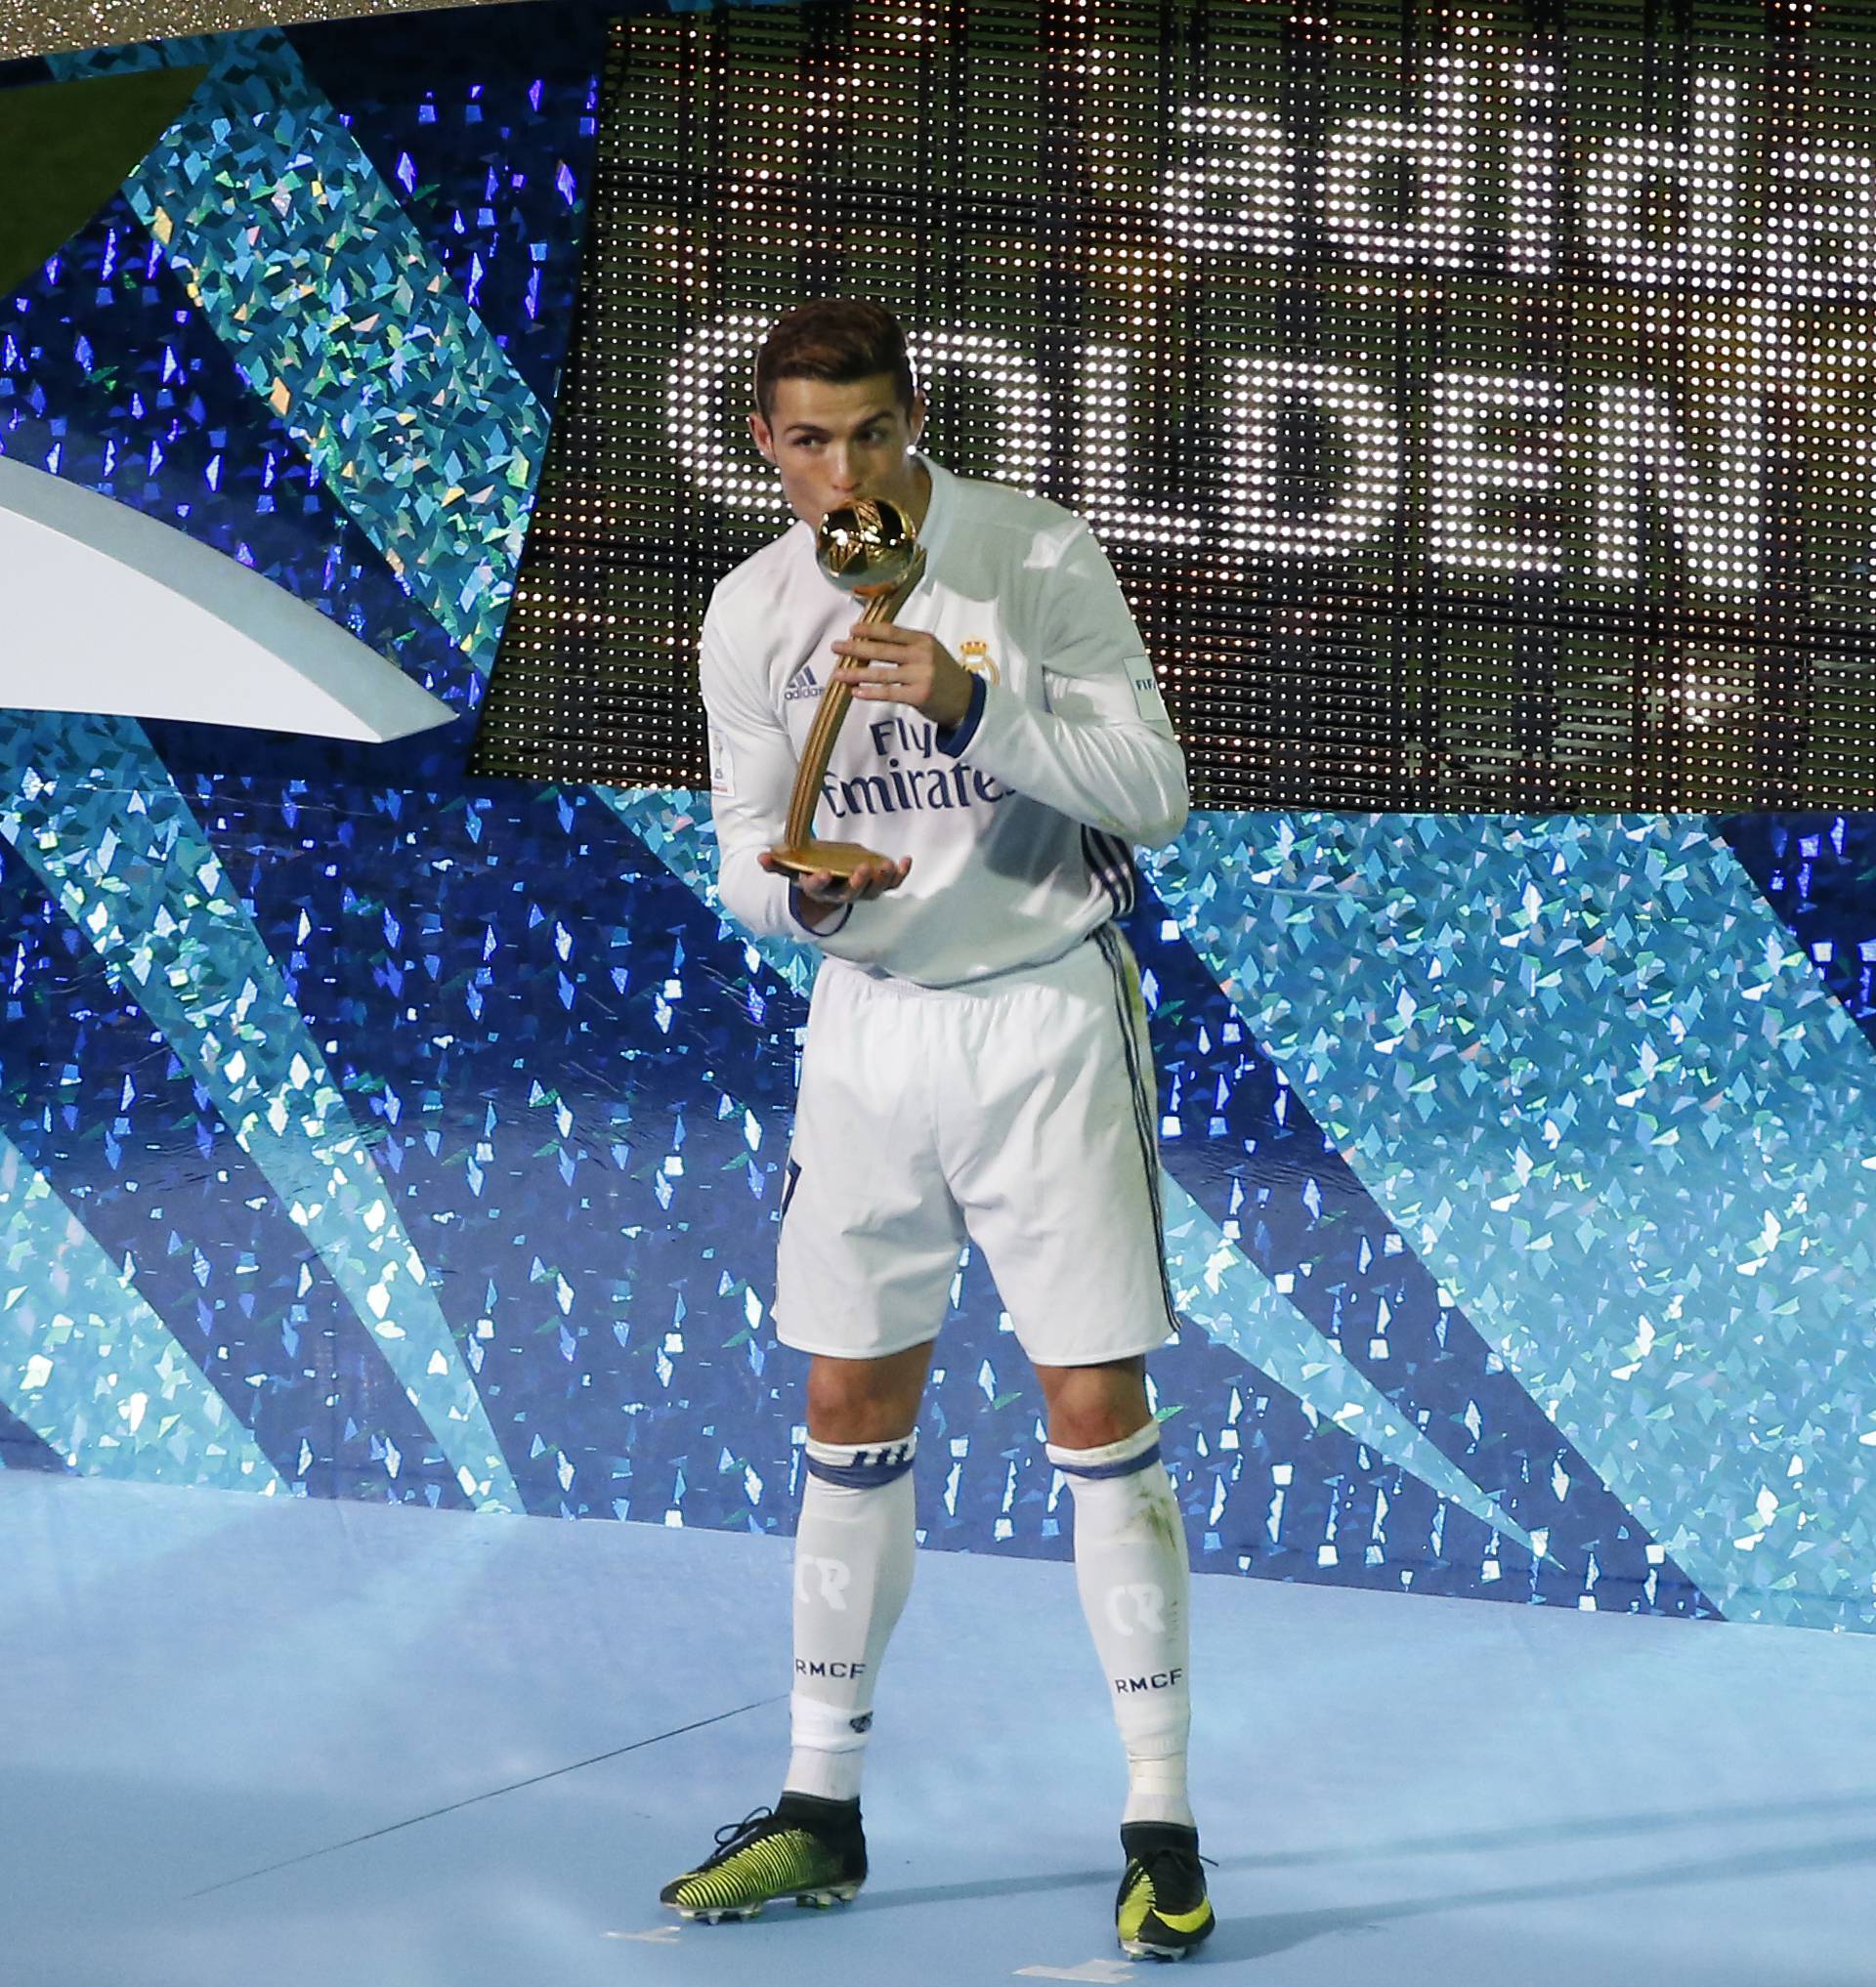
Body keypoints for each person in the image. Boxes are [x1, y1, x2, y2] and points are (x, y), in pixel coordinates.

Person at [660, 297, 1213, 1962]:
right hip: (872, 1030)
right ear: (767, 446)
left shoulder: (1033, 556)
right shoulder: (750, 610)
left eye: (876, 432)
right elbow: (746, 846)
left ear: (917, 424)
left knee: (1095, 1403)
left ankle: (1164, 1827)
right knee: (846, 1394)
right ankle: (819, 1810)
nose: (849, 467)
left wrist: (977, 706)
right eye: (812, 440)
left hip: (1046, 1011)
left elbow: (1158, 791)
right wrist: (801, 897)